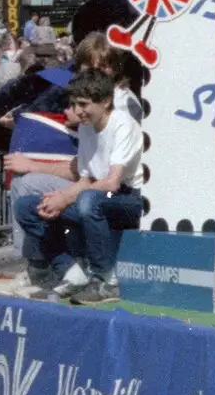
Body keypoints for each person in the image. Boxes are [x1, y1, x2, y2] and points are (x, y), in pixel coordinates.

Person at [13, 68, 146, 305]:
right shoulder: (86, 128)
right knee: (27, 206)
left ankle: (107, 279)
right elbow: (85, 179)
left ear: (105, 102)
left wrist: (67, 199)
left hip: (127, 199)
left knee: (87, 201)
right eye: (74, 104)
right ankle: (72, 271)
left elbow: (112, 182)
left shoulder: (123, 125)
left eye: (83, 104)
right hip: (96, 195)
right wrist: (60, 197)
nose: (77, 112)